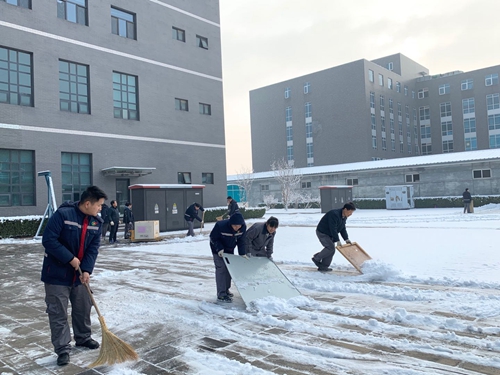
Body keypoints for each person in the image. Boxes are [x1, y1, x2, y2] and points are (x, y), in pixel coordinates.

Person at [41, 186, 107, 366]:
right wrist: (70, 258)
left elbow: (93, 249)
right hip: (56, 274)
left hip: (79, 276)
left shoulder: (96, 222)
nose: (100, 208)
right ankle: (62, 349)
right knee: (58, 312)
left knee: (83, 307)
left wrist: (86, 270)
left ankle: (83, 337)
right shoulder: (63, 215)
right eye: (99, 205)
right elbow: (48, 240)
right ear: (87, 203)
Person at [209, 212, 247, 303]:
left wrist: (242, 253)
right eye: (235, 226)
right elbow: (213, 238)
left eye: (239, 226)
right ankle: (221, 294)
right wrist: (219, 249)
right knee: (221, 269)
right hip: (217, 249)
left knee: (229, 269)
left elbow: (241, 240)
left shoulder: (243, 227)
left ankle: (226, 290)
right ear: (230, 224)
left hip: (230, 249)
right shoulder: (220, 226)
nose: (237, 228)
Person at [312, 202, 356, 272]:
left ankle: (324, 266)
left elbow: (342, 228)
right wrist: (337, 240)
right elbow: (333, 228)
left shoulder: (344, 217)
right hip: (323, 232)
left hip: (330, 234)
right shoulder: (334, 214)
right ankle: (316, 258)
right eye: (350, 212)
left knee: (332, 250)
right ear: (345, 209)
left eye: (352, 212)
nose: (350, 214)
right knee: (330, 247)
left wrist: (346, 239)